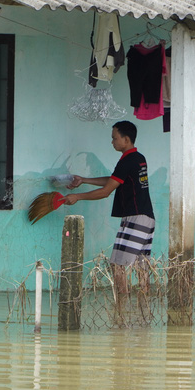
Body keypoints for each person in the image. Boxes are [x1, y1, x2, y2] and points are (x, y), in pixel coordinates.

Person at [64, 120, 155, 296]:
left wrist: (77, 197)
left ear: (126, 139)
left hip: (136, 217)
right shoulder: (137, 158)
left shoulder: (127, 161)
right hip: (145, 217)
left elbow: (106, 191)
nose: (112, 142)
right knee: (141, 266)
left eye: (114, 138)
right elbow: (115, 180)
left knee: (118, 265)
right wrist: (84, 180)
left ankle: (120, 309)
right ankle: (144, 310)